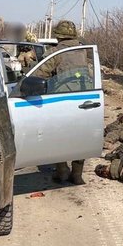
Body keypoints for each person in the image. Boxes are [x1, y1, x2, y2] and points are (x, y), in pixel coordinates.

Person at [34, 19, 88, 185]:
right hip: (85, 100)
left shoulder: (55, 52)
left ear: (58, 36)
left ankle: (62, 170)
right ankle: (77, 174)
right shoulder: (85, 51)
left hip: (60, 101)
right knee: (80, 137)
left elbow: (38, 75)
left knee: (58, 135)